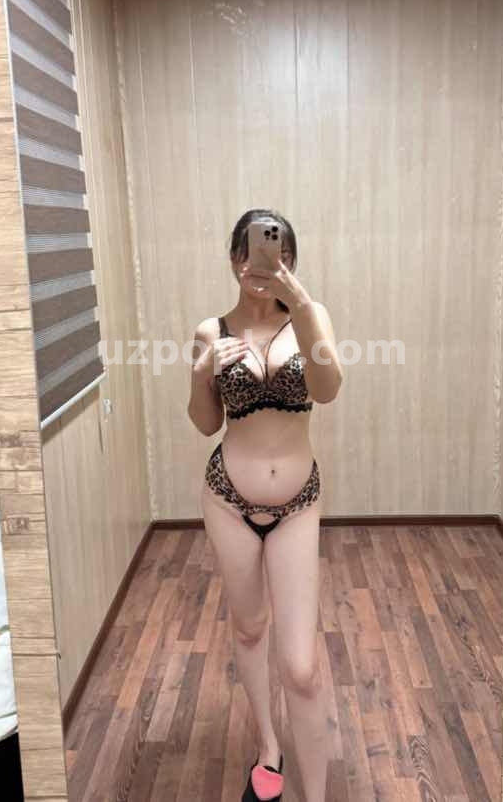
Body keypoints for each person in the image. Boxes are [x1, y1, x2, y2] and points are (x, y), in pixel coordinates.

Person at [188, 209, 342, 802]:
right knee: (251, 629)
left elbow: (327, 389)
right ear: (235, 258)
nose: (263, 262)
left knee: (301, 666)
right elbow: (206, 424)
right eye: (251, 251)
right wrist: (201, 375)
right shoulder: (211, 331)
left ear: (290, 260)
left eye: (279, 253)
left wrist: (300, 304)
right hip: (228, 500)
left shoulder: (311, 316)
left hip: (297, 504)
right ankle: (269, 746)